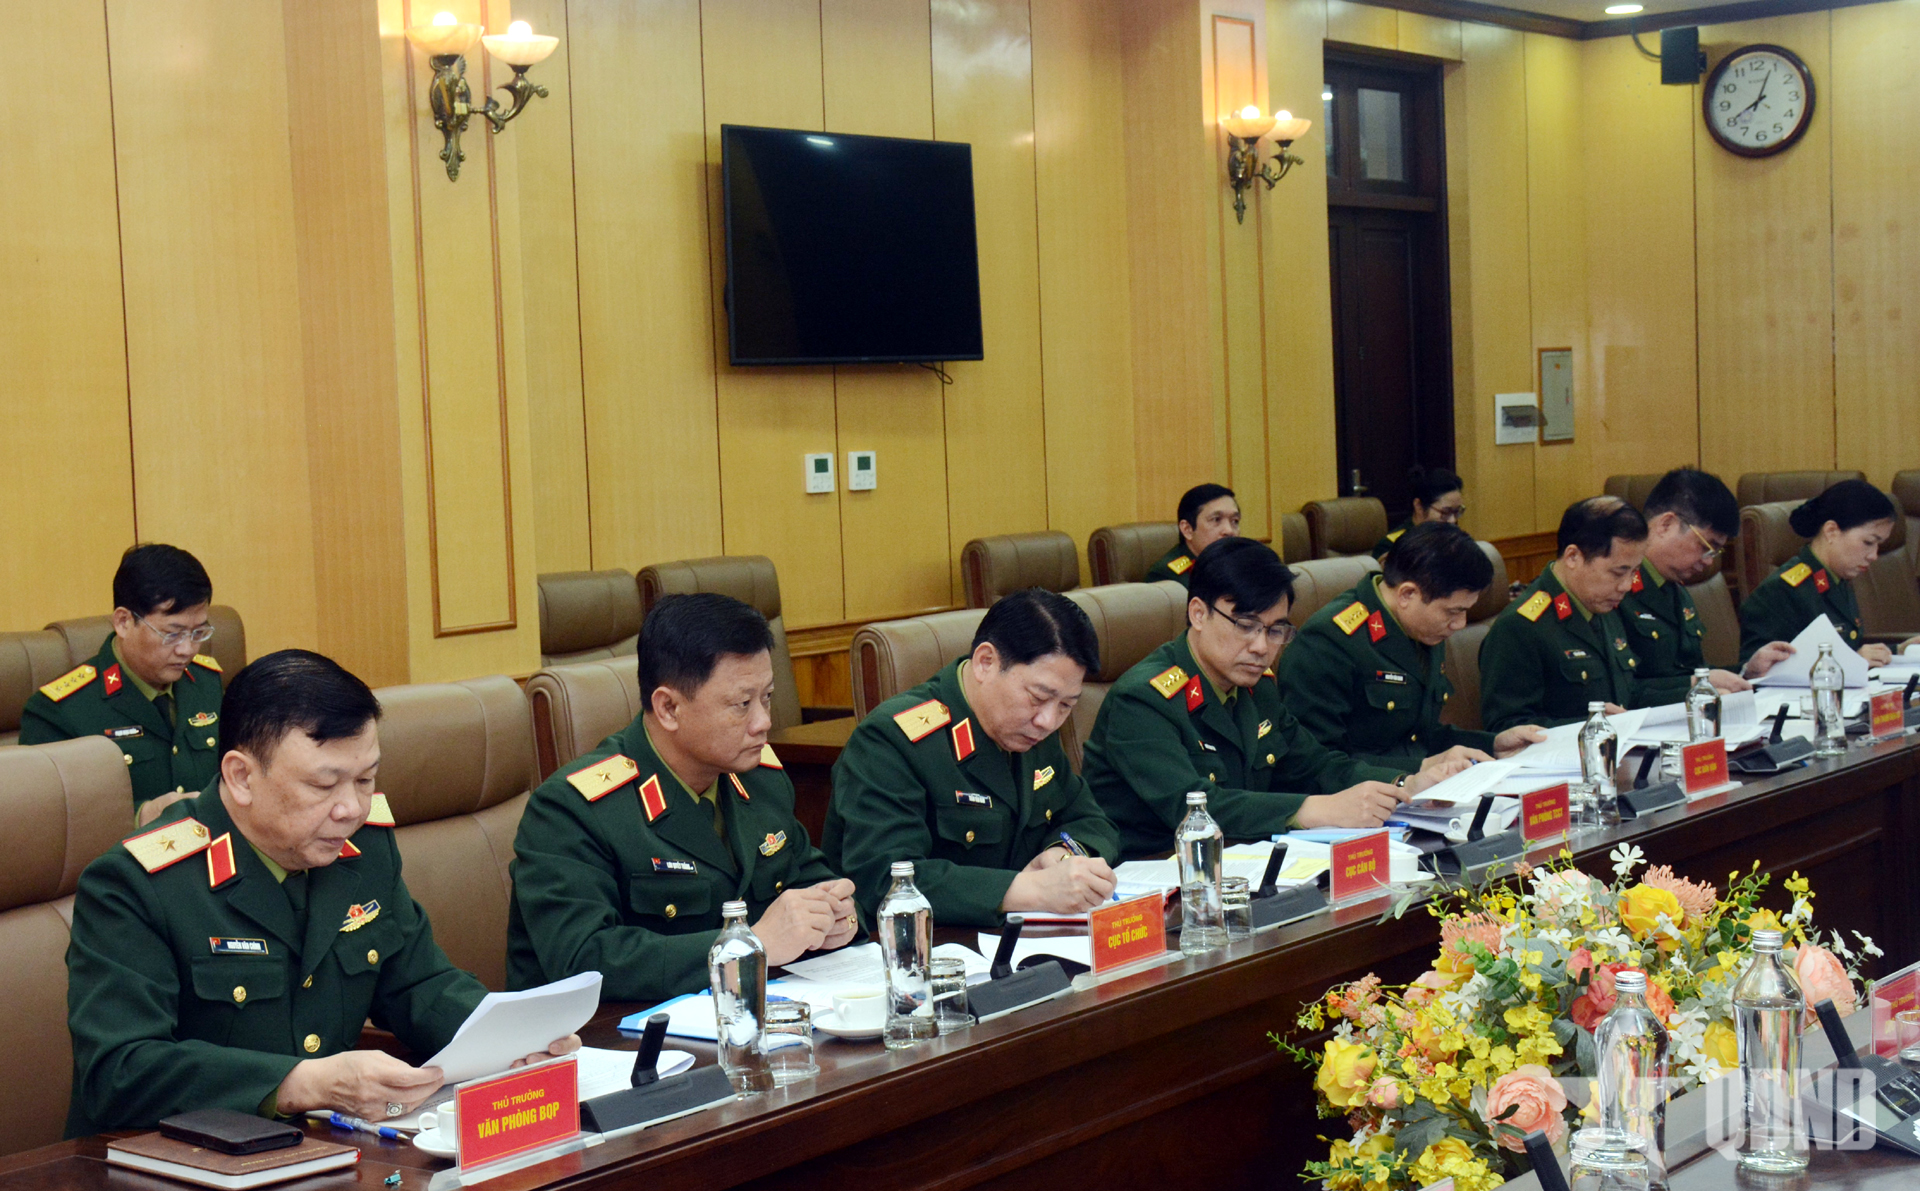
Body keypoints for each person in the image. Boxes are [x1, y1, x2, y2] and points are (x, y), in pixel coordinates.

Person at [65, 650, 578, 1135]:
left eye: (365, 779)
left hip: (324, 1151)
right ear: (241, 777)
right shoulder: (138, 884)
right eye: (323, 785)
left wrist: (512, 1037)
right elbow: (119, 1071)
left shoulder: (362, 848)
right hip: (177, 1162)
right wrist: (301, 1084)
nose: (351, 809)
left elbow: (418, 983)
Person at [508, 593, 857, 1002]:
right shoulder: (572, 810)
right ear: (669, 708)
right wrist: (744, 947)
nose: (763, 722)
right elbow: (584, 959)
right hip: (616, 1032)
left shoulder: (760, 779)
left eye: (767, 697)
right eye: (742, 704)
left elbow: (812, 881)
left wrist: (837, 915)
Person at [1081, 538, 1470, 860]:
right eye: (1246, 626)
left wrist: (1406, 783)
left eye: (1275, 630)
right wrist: (1309, 809)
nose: (1261, 647)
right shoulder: (1143, 699)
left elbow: (1313, 764)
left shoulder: (1256, 686)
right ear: (1198, 614)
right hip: (1161, 873)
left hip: (1246, 859)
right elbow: (1197, 808)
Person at [824, 589, 1119, 926]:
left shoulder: (1032, 730)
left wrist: (1061, 856)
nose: (1049, 721)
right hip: (926, 945)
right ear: (985, 662)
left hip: (1017, 939)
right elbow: (884, 880)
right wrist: (1027, 890)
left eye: (1066, 705)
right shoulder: (891, 740)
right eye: (1038, 697)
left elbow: (1092, 820)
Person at [1279, 523, 1546, 770]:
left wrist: (1493, 744)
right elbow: (1316, 763)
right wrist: (1419, 770)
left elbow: (1419, 735)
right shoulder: (1329, 641)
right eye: (1453, 611)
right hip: (1362, 798)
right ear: (1408, 594)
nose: (1460, 624)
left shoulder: (1422, 628)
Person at [22, 544, 225, 823]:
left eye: (199, 632)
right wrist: (141, 815)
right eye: (172, 634)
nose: (187, 650)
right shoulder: (58, 712)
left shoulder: (206, 682)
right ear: (124, 622)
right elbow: (43, 822)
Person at [1480, 497, 1652, 733]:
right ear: (1573, 557)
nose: (1627, 586)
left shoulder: (1602, 605)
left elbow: (1627, 692)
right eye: (1617, 572)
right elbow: (1507, 728)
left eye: (1634, 572)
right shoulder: (1520, 627)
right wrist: (1591, 727)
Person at [1625, 469, 1793, 700]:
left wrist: (1747, 672)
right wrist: (1696, 685)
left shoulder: (1674, 587)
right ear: (1666, 525)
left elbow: (1693, 670)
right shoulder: (1617, 590)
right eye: (1705, 546)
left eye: (1715, 552)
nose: (1708, 562)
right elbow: (1620, 692)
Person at [1739, 480, 1918, 668]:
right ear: (1831, 531)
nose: (1874, 556)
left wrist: (1899, 650)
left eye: (1879, 545)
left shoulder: (1837, 577)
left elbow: (1847, 647)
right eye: (1868, 542)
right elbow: (1759, 673)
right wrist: (1851, 662)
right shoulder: (1781, 591)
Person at [1143, 483, 1240, 585]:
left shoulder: (1242, 564)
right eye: (1216, 519)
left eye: (1235, 521)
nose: (1229, 530)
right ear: (1187, 529)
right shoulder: (1167, 577)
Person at [1371, 465, 1465, 559]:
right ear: (1419, 506)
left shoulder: (1455, 540)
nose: (1452, 520)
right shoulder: (1391, 545)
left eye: (1457, 512)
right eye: (1445, 512)